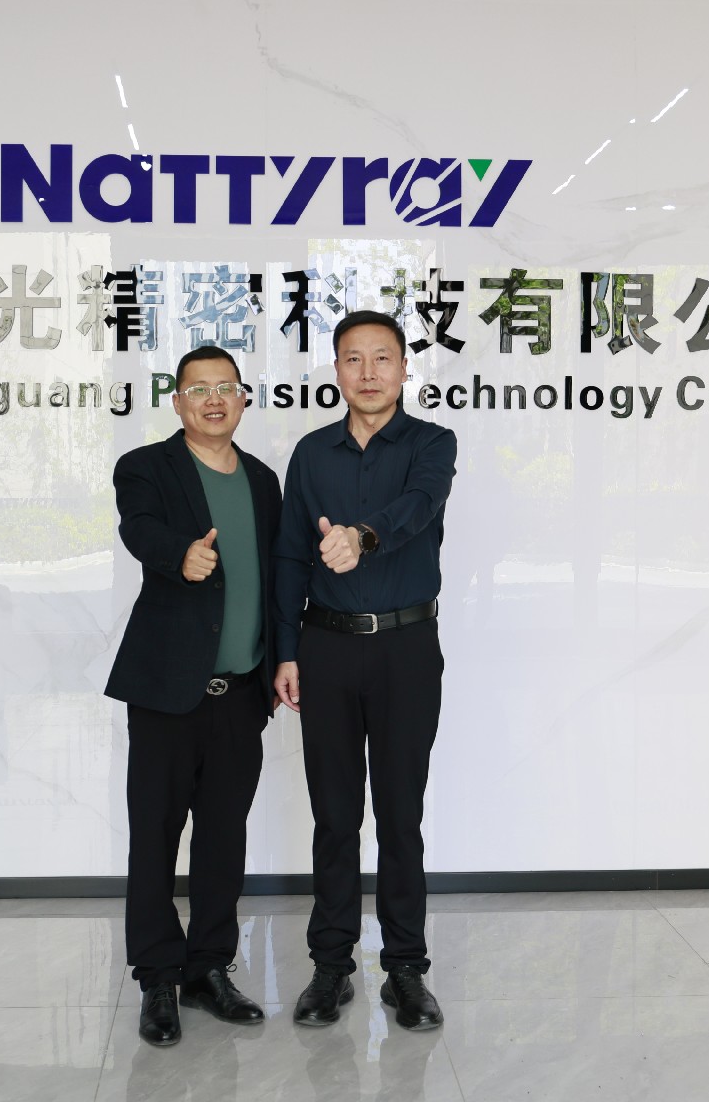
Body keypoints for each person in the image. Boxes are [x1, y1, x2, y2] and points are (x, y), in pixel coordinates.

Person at [272, 310, 458, 1032]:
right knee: (334, 813)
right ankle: (331, 967)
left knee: (401, 812)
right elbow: (292, 553)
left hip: (406, 648)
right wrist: (286, 650)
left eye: (384, 358)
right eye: (355, 359)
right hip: (327, 647)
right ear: (338, 371)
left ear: (405, 369)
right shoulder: (311, 453)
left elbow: (419, 506)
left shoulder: (432, 444)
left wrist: (363, 536)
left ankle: (406, 969)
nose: (370, 372)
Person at [105, 345, 282, 1048]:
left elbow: (275, 576)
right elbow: (138, 527)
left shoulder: (263, 480)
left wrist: (283, 661)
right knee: (154, 835)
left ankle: (208, 968)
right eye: (198, 389)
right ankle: (157, 976)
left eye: (226, 388)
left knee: (222, 837)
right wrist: (179, 553)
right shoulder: (146, 467)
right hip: (166, 691)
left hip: (240, 693)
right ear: (177, 402)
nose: (213, 399)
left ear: (243, 399)